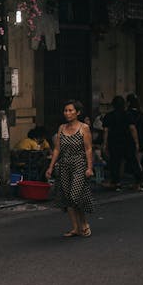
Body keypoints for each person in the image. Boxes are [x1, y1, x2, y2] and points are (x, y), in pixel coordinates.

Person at [45, 99, 94, 238]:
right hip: (64, 166)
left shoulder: (84, 128)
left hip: (79, 165)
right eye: (66, 110)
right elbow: (57, 149)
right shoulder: (62, 128)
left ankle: (84, 223)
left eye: (70, 110)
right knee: (67, 198)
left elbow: (88, 149)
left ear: (77, 112)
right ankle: (75, 228)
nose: (67, 113)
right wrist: (50, 167)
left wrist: (89, 167)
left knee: (75, 195)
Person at [102, 95, 143, 191]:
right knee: (132, 161)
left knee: (115, 162)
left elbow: (106, 131)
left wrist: (104, 144)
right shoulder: (128, 114)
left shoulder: (109, 116)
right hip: (127, 141)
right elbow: (132, 129)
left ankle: (116, 182)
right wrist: (136, 142)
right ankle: (139, 181)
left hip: (114, 142)